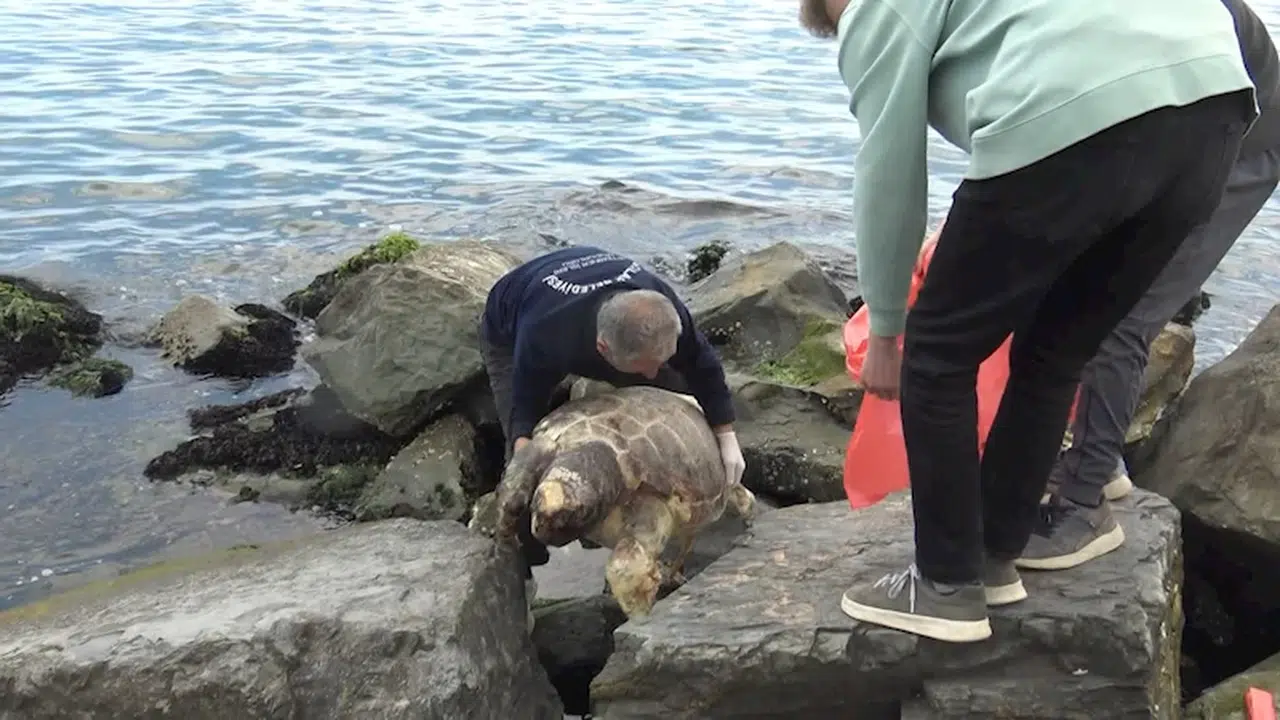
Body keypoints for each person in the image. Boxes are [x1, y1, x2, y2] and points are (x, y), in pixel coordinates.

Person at [800, 0, 1258, 643]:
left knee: (936, 351)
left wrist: (886, 328)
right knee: (1056, 347)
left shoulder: (876, 8)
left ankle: (945, 586)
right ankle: (992, 554)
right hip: (1215, 109)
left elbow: (888, 168)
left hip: (1080, 110)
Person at [1014, 0, 1280, 572]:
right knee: (1065, 281)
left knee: (1123, 315)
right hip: (1168, 117)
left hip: (1239, 139)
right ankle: (1099, 461)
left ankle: (1082, 511)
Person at [479, 245, 746, 568]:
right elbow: (523, 411)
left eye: (659, 360)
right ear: (602, 350)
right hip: (513, 321)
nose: (652, 375)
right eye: (645, 367)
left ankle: (641, 507)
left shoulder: (659, 307)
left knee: (676, 383)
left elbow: (703, 366)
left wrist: (725, 433)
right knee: (521, 461)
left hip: (600, 303)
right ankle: (523, 555)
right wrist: (524, 462)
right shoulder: (543, 334)